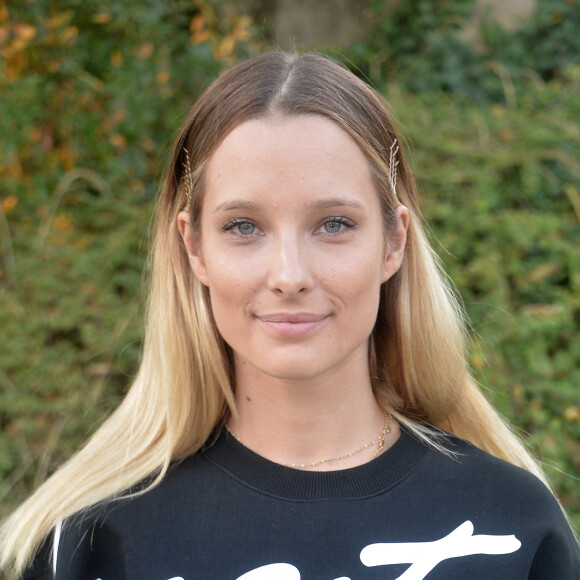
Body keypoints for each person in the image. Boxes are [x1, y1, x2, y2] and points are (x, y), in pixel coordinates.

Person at [1, 51, 579, 580]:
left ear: (393, 243)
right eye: (243, 227)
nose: (289, 274)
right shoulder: (92, 541)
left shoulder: (511, 526)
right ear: (195, 247)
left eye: (333, 224)